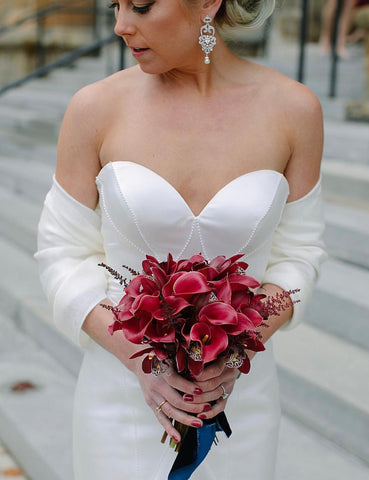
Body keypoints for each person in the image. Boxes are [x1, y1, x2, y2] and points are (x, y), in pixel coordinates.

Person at [35, 0, 327, 478]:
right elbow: (62, 254)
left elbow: (299, 254)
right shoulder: (94, 108)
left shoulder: (294, 110)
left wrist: (239, 344)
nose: (120, 26)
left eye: (142, 5)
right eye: (115, 5)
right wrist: (143, 361)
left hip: (239, 398)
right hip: (121, 398)